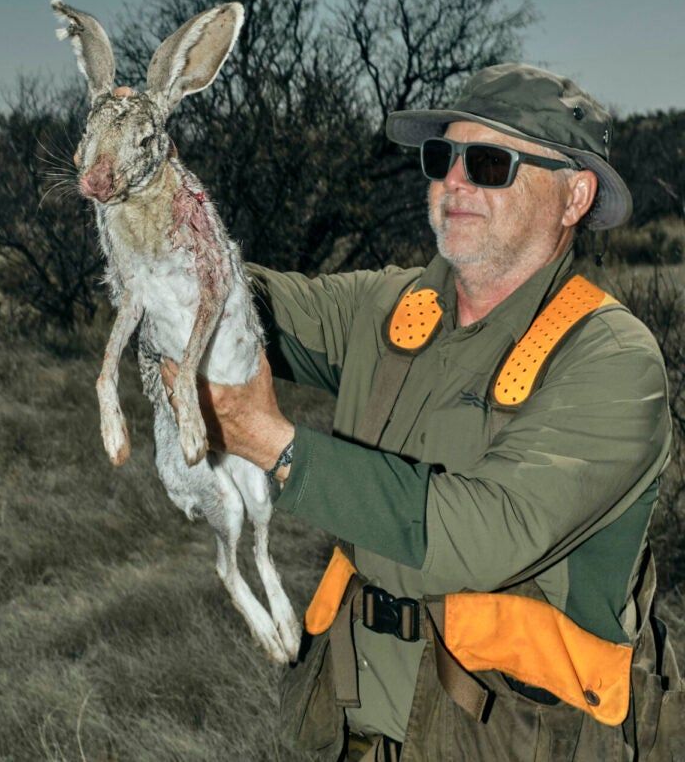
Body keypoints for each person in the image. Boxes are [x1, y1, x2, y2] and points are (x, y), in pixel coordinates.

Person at [161, 64, 680, 761]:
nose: (454, 180)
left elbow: (475, 536)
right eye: (443, 157)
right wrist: (153, 224)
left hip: (515, 741)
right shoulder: (394, 305)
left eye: (491, 162)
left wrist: (277, 444)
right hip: (366, 725)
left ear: (574, 196)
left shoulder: (613, 360)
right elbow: (246, 306)